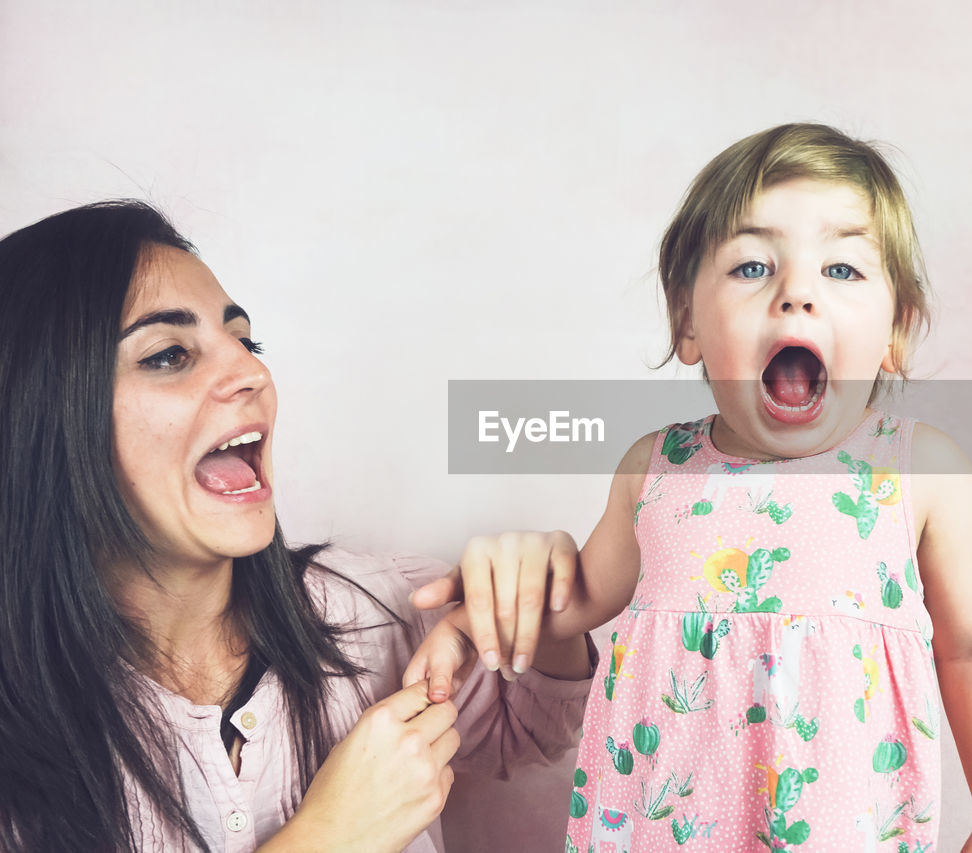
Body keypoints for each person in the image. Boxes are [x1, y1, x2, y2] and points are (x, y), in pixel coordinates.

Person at [424, 124, 972, 851]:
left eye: (842, 270)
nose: (796, 294)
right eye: (752, 267)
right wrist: (479, 618)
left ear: (896, 330)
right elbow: (580, 596)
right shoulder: (655, 469)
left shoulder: (917, 472)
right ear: (687, 322)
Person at [0, 200, 593, 852]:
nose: (252, 372)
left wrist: (547, 600)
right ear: (43, 417)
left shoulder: (377, 607)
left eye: (245, 340)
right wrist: (326, 838)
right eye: (170, 354)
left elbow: (534, 728)